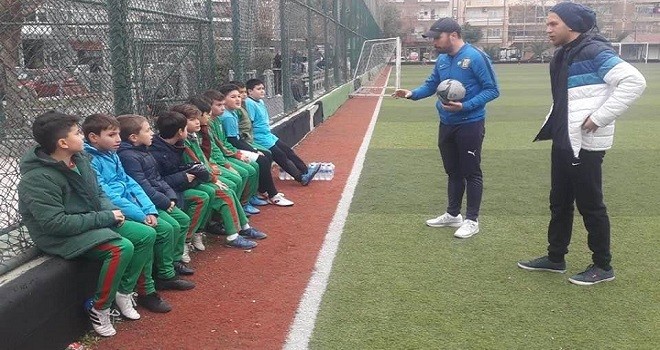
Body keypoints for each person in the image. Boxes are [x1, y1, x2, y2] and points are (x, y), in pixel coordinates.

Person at [517, 2, 646, 285]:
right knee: (559, 202)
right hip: (564, 139)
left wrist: (599, 117)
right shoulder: (564, 54)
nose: (547, 29)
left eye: (553, 24)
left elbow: (634, 81)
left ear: (572, 26)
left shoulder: (593, 50)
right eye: (547, 23)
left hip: (586, 143)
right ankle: (555, 258)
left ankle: (603, 266)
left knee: (591, 205)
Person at [18, 111, 155, 337]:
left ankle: (123, 291)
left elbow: (98, 192)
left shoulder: (80, 159)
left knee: (145, 235)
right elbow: (55, 224)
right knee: (121, 247)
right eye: (78, 133)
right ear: (63, 143)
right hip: (60, 236)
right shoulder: (37, 178)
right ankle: (99, 307)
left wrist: (109, 210)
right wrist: (105, 217)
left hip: (91, 221)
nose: (83, 136)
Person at [392, 17, 500, 238]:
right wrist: (411, 94)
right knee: (453, 171)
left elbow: (492, 90)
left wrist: (465, 106)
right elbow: (432, 85)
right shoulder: (442, 59)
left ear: (453, 35)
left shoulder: (475, 57)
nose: (434, 43)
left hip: (470, 123)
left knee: (471, 172)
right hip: (447, 123)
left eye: (437, 38)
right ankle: (453, 215)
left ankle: (472, 220)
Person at [82, 114, 195, 293]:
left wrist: (149, 209)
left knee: (173, 224)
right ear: (93, 137)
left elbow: (131, 183)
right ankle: (147, 287)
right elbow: (108, 194)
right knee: (156, 231)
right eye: (112, 135)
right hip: (118, 210)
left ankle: (167, 271)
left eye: (118, 134)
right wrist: (142, 214)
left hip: (137, 205)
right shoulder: (91, 160)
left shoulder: (113, 154)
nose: (118, 139)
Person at [170, 103, 268, 249]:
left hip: (201, 176)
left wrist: (212, 173)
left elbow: (202, 159)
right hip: (191, 181)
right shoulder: (182, 143)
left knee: (228, 187)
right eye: (192, 119)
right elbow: (195, 165)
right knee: (223, 192)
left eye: (197, 118)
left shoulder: (193, 136)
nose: (197, 121)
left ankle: (243, 227)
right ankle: (230, 235)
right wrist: (213, 178)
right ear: (181, 124)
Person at [116, 114, 194, 276]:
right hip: (147, 202)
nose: (152, 133)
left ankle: (174, 260)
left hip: (158, 198)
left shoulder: (143, 151)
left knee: (183, 220)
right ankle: (164, 271)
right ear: (133, 137)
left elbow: (157, 178)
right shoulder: (128, 156)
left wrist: (170, 197)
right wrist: (164, 201)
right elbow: (141, 185)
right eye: (148, 130)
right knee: (168, 228)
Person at [204, 89, 295, 206]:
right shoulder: (225, 118)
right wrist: (240, 153)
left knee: (266, 155)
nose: (239, 98)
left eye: (240, 95)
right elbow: (227, 143)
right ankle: (265, 196)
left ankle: (260, 192)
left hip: (231, 149)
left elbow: (226, 142)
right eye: (233, 97)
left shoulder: (222, 117)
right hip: (227, 153)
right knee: (259, 161)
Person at [149, 111, 213, 262]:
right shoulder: (155, 151)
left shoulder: (176, 144)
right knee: (200, 197)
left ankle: (195, 234)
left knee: (209, 191)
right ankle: (185, 241)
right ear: (180, 131)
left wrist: (189, 169)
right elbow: (158, 180)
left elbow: (174, 169)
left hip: (177, 186)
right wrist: (183, 176)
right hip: (166, 193)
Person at [244, 79, 322, 186]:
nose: (262, 91)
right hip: (260, 137)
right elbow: (250, 123)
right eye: (258, 89)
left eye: (263, 88)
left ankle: (305, 170)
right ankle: (301, 178)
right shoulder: (249, 103)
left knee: (288, 151)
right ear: (249, 91)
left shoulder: (261, 102)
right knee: (281, 156)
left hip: (268, 135)